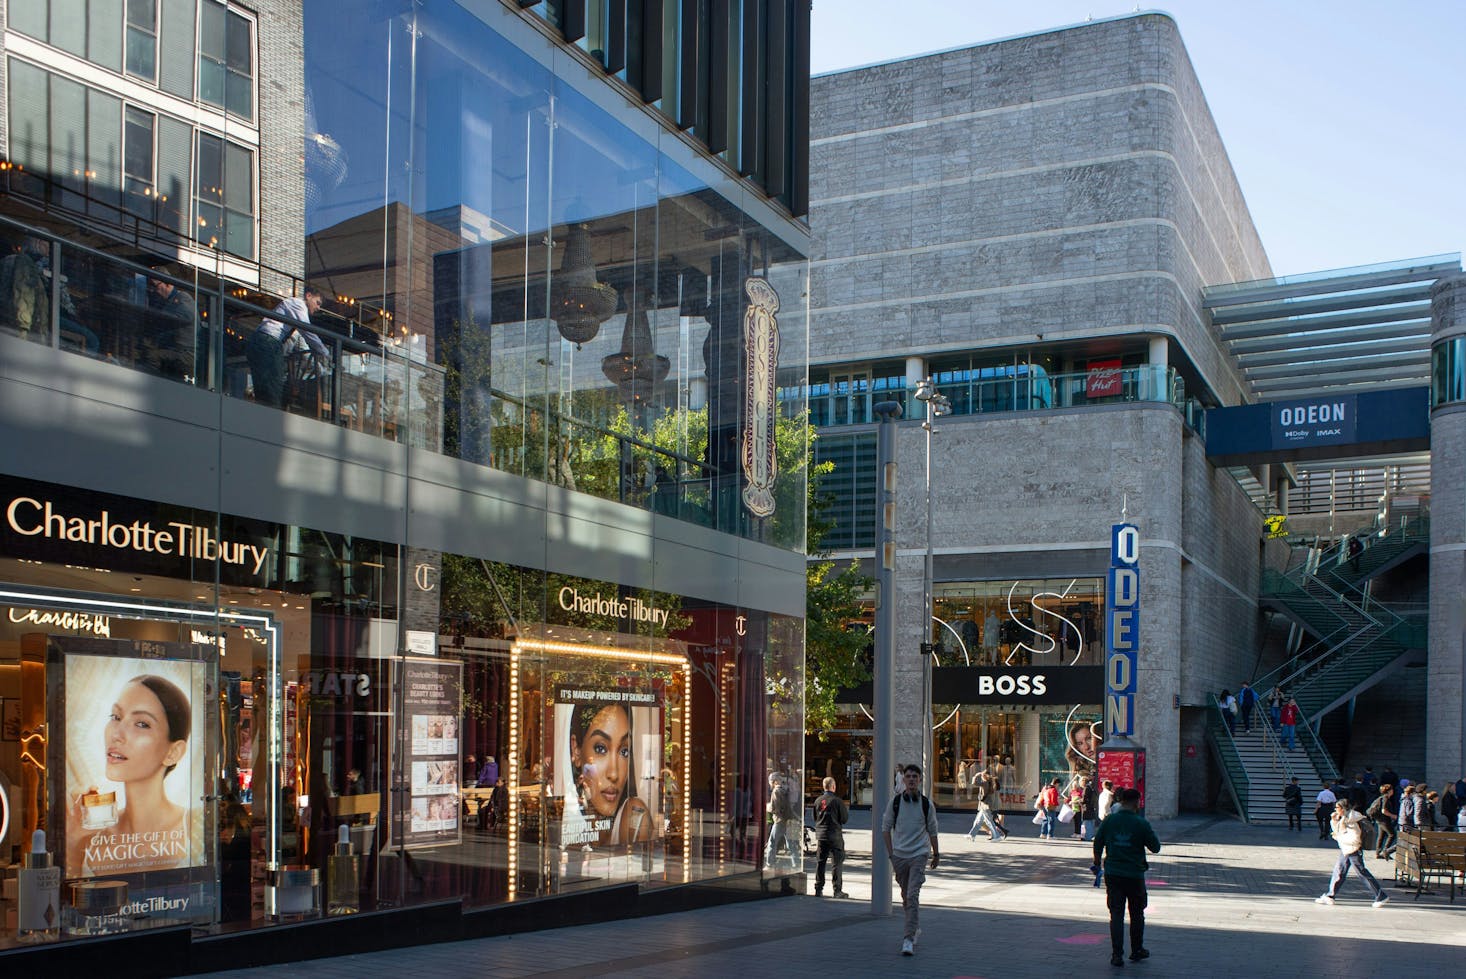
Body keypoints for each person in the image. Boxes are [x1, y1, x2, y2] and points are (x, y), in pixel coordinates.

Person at [67, 674, 193, 875]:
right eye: (116, 717)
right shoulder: (90, 831)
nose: (116, 734)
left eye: (141, 724)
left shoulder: (195, 827)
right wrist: (74, 844)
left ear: (173, 752)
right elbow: (68, 900)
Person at [1092, 787, 1161, 967]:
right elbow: (1155, 847)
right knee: (1137, 914)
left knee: (1116, 914)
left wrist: (1097, 862)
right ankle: (1137, 950)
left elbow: (1098, 841)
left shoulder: (1110, 820)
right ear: (1136, 802)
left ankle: (1116, 954)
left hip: (1113, 873)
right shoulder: (1141, 823)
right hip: (1134, 874)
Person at [567, 702, 654, 846]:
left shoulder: (635, 813)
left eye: (624, 751)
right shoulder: (575, 812)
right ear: (576, 750)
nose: (614, 774)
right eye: (601, 748)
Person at [882, 764, 939, 957]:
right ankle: (914, 928)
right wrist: (891, 854)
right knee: (906, 897)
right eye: (909, 776)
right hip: (899, 856)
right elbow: (885, 828)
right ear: (903, 780)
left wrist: (936, 853)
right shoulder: (895, 803)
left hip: (918, 855)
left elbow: (932, 830)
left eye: (915, 776)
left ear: (920, 780)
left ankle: (908, 939)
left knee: (912, 895)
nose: (912, 779)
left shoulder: (926, 804)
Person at [246, 285, 327, 408]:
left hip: (261, 341)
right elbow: (307, 330)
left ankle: (264, 412)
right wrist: (324, 351)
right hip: (268, 341)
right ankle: (271, 415)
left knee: (264, 384)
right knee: (274, 383)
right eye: (317, 302)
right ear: (308, 296)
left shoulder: (292, 310)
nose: (318, 307)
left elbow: (302, 337)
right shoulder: (298, 304)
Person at [1315, 799, 1389, 908]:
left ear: (1343, 808)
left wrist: (1340, 838)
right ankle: (1330, 895)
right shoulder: (1344, 818)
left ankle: (1381, 895)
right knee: (1339, 871)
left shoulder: (1351, 820)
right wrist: (1334, 821)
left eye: (1337, 807)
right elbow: (1338, 831)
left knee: (1361, 873)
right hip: (1347, 849)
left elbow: (1354, 838)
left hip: (1352, 849)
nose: (1335, 809)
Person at [146, 268, 197, 379]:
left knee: (152, 356)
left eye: (156, 286)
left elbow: (185, 318)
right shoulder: (168, 302)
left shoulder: (183, 298)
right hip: (175, 350)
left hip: (186, 353)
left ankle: (154, 382)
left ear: (168, 283)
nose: (154, 290)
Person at [812, 776, 848, 898]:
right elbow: (844, 818)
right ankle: (837, 890)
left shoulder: (818, 801)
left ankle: (818, 888)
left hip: (821, 835)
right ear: (833, 786)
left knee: (820, 862)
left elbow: (815, 818)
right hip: (834, 835)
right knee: (836, 862)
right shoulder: (837, 801)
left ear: (823, 787)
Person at [763, 770, 800, 869]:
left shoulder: (776, 791)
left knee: (772, 842)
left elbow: (776, 808)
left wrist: (768, 807)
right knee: (790, 843)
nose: (770, 784)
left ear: (775, 781)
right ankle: (796, 863)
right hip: (788, 819)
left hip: (780, 820)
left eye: (770, 782)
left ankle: (770, 864)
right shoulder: (784, 790)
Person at [966, 770, 1008, 841]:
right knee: (978, 821)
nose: (981, 777)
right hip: (985, 805)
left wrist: (976, 774)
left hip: (986, 806)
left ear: (984, 776)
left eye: (982, 775)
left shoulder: (985, 783)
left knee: (989, 822)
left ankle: (997, 836)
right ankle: (971, 835)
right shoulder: (990, 782)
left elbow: (974, 782)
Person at [1368, 783, 1399, 859]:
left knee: (1381, 836)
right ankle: (1386, 851)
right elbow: (1384, 810)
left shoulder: (1381, 797)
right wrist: (1393, 816)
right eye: (1392, 790)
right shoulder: (1386, 798)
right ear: (1389, 791)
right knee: (1392, 834)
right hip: (1384, 820)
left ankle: (1378, 853)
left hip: (1379, 819)